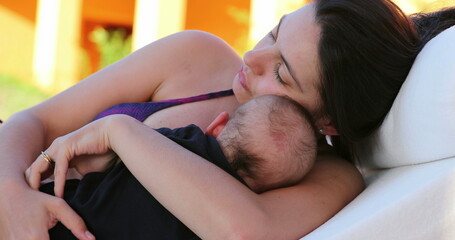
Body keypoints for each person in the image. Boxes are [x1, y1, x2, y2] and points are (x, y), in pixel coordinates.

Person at [1, 0, 454, 239]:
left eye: (281, 73)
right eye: (276, 32)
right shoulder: (196, 57)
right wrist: (14, 201)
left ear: (330, 121)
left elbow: (244, 232)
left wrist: (120, 131)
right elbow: (32, 122)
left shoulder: (328, 178)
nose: (253, 57)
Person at [25, 95, 317, 239]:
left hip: (65, 214)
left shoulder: (178, 142)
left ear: (217, 126)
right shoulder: (216, 217)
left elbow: (94, 164)